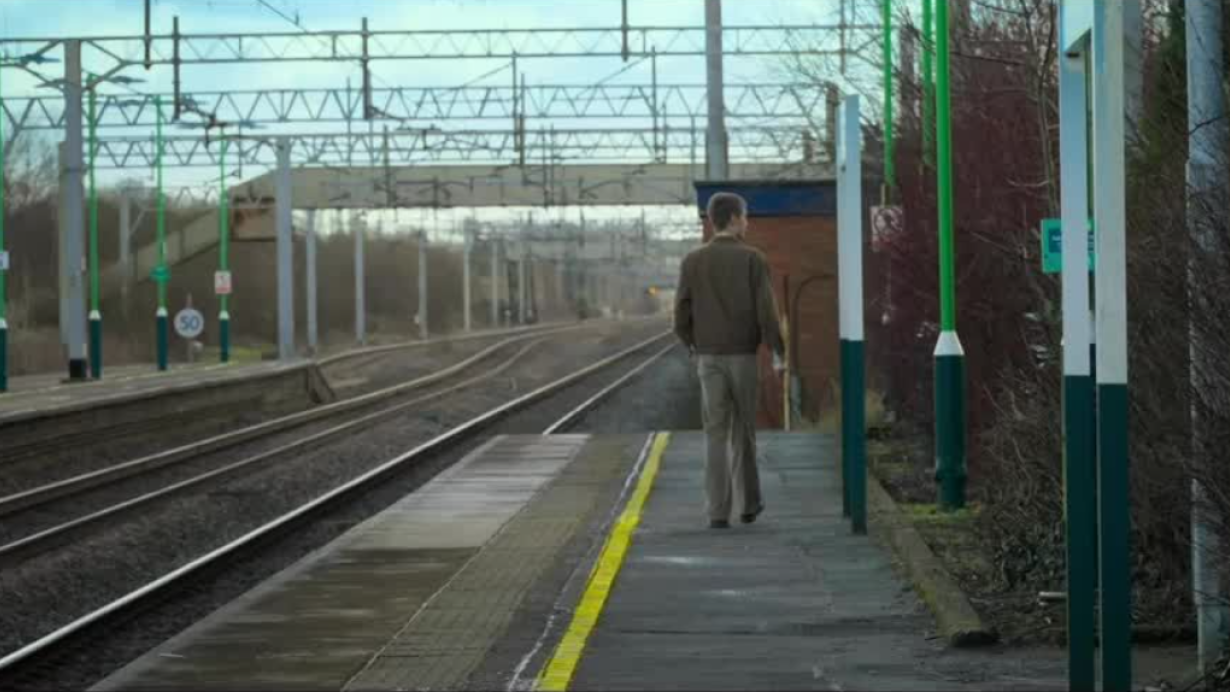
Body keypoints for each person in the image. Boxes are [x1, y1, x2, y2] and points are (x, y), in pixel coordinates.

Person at [674, 192, 785, 530]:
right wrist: (778, 349)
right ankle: (748, 504)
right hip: (743, 357)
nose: (747, 223)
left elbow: (680, 313)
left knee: (715, 434)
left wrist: (693, 343)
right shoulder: (753, 259)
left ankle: (717, 512)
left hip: (708, 358)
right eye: (745, 217)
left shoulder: (692, 261)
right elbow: (767, 311)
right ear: (735, 218)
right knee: (743, 432)